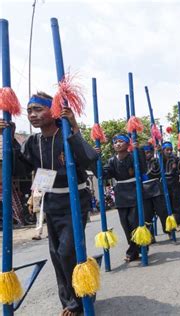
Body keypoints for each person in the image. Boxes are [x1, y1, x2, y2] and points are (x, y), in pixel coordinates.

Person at [1, 92, 98, 316]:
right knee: (57, 254)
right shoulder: (33, 142)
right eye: (29, 111)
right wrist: (10, 137)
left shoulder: (65, 134)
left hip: (74, 200)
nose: (33, 115)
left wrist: (74, 128)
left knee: (66, 251)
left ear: (52, 110)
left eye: (38, 109)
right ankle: (70, 301)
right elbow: (20, 169)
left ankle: (79, 300)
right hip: (51, 202)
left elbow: (90, 159)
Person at [102, 134, 143, 262]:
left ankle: (133, 250)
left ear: (127, 144)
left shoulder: (133, 156)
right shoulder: (111, 161)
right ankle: (136, 249)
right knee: (125, 224)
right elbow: (104, 174)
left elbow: (143, 169)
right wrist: (95, 159)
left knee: (134, 222)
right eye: (115, 142)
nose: (118, 144)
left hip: (134, 190)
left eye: (121, 141)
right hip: (121, 194)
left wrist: (138, 151)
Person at [142, 144, 169, 238]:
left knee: (162, 211)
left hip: (156, 188)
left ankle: (168, 230)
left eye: (148, 152)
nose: (147, 155)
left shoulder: (157, 160)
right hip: (144, 191)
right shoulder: (139, 163)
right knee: (147, 215)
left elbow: (165, 162)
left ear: (152, 152)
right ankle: (150, 235)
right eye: (144, 153)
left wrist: (161, 152)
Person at [162, 141, 180, 227]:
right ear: (163, 150)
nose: (169, 152)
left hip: (175, 183)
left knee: (177, 204)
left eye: (170, 150)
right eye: (167, 150)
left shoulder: (176, 159)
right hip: (164, 185)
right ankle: (170, 223)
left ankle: (178, 222)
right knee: (167, 205)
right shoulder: (159, 159)